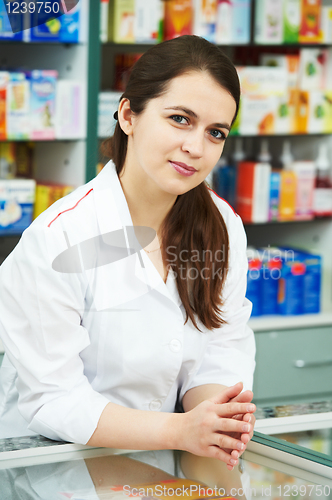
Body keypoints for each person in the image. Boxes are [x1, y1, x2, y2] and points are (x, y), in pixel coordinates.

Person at [0, 35, 256, 471]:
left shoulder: (223, 227)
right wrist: (181, 430)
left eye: (215, 133)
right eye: (179, 119)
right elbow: (54, 399)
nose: (196, 148)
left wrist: (213, 420)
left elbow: (221, 350)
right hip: (56, 466)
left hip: (171, 461)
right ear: (127, 116)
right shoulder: (59, 238)